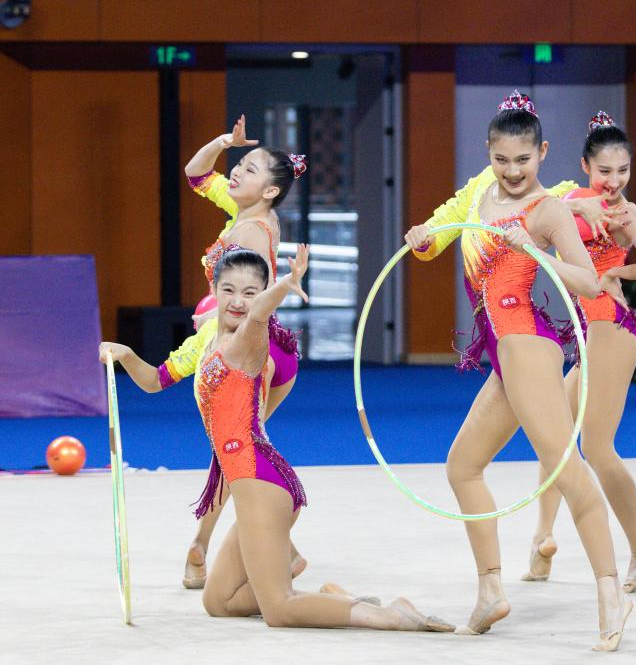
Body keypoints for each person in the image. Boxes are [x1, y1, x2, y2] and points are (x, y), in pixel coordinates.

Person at [100, 246, 453, 632]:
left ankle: (390, 616)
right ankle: (334, 598)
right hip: (253, 481)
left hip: (260, 483)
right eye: (229, 290)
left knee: (279, 610)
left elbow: (258, 314)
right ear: (214, 290)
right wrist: (125, 354)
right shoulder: (208, 341)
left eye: (250, 292)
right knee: (219, 602)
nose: (238, 301)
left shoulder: (249, 340)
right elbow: (154, 381)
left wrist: (284, 285)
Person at [404, 91, 632, 651]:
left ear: (543, 153)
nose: (512, 171)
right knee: (463, 466)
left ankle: (610, 593)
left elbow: (588, 282)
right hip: (504, 352)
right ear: (488, 152)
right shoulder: (479, 196)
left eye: (523, 160)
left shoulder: (548, 210)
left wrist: (534, 250)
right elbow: (435, 241)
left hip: (526, 343)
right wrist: (421, 239)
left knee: (566, 470)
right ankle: (490, 591)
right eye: (501, 159)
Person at [521, 112, 636, 596]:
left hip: (611, 328)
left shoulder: (626, 213)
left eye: (623, 170)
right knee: (556, 435)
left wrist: (617, 273)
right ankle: (543, 539)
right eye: (605, 171)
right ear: (586, 166)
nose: (614, 180)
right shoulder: (569, 204)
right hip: (590, 333)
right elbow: (543, 218)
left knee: (597, 448)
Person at [168, 116, 307, 589]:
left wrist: (212, 317)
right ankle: (281, 550)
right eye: (239, 164)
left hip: (255, 352)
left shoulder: (254, 233)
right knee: (235, 449)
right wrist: (224, 140)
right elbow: (194, 174)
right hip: (247, 346)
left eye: (249, 169)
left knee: (235, 450)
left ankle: (206, 546)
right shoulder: (241, 211)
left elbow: (255, 302)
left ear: (269, 191)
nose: (236, 171)